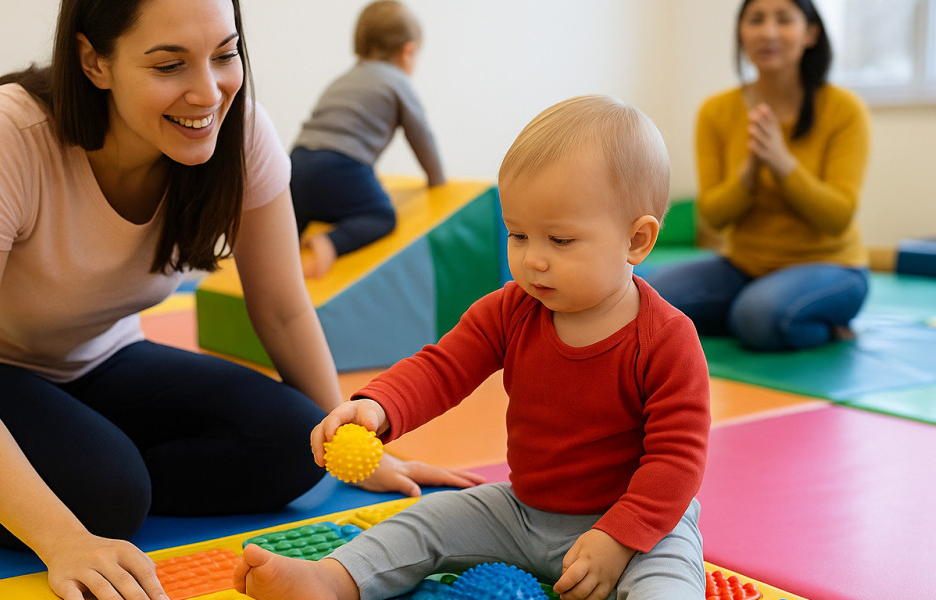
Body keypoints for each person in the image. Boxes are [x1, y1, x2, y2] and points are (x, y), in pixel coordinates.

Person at [0, 1, 478, 599]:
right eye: (169, 66)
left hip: (93, 358)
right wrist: (64, 539)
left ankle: (88, 469)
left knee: (296, 443)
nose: (208, 93)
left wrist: (355, 449)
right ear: (93, 61)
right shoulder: (2, 137)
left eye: (224, 55)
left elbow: (284, 309)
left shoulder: (240, 133)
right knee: (104, 500)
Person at [233, 95, 712, 600]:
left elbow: (677, 461)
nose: (533, 261)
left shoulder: (666, 339)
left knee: (671, 583)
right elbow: (442, 369)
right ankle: (332, 579)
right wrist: (376, 406)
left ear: (637, 241)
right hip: (523, 513)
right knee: (424, 522)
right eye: (518, 235)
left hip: (640, 526)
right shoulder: (511, 310)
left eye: (561, 241)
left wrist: (617, 538)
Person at [646, 0, 871, 351]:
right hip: (743, 266)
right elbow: (714, 218)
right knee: (648, 300)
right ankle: (751, 311)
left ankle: (823, 324)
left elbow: (837, 217)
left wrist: (782, 164)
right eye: (756, 20)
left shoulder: (844, 109)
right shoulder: (716, 111)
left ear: (810, 33)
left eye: (783, 20)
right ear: (741, 32)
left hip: (833, 267)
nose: (767, 32)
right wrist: (748, 174)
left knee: (757, 317)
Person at [291, 0, 445, 278]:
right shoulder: (397, 81)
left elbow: (333, 126)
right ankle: (330, 243)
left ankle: (282, 256)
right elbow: (421, 134)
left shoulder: (343, 80)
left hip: (296, 164)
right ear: (407, 52)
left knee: (290, 227)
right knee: (380, 216)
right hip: (338, 166)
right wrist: (438, 181)